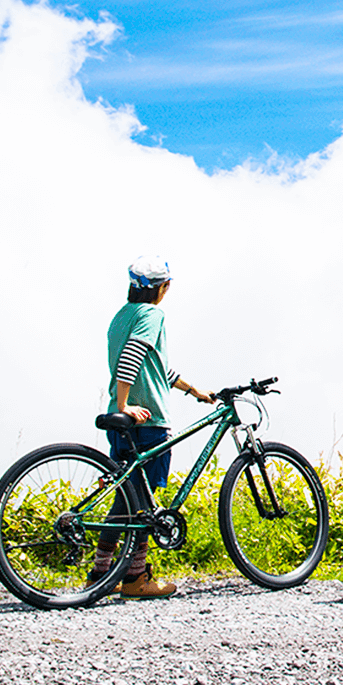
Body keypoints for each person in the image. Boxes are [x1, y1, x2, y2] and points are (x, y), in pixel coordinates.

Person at [88, 256, 215, 599]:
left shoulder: (122, 315)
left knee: (125, 501)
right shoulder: (152, 314)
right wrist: (125, 404)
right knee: (143, 503)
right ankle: (136, 578)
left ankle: (100, 573)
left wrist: (194, 391)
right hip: (147, 420)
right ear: (164, 287)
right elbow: (133, 354)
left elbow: (157, 368)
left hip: (125, 425)